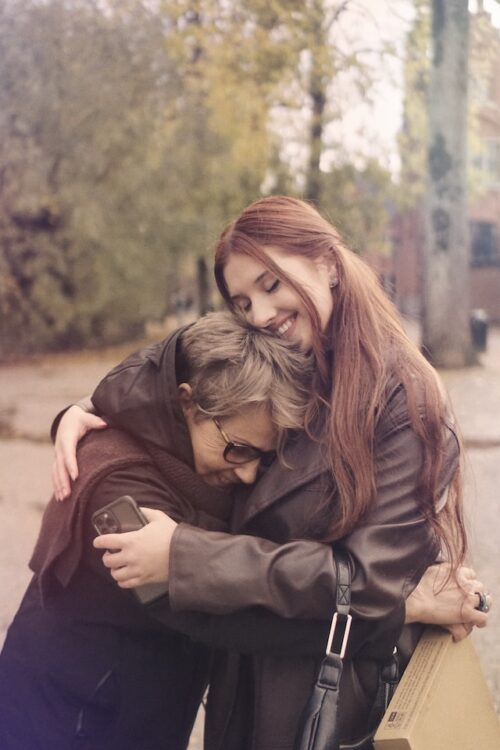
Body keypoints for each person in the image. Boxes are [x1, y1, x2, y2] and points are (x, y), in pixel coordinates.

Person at [52, 197, 491, 749]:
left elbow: (369, 582)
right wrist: (82, 412)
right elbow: (162, 374)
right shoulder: (281, 362)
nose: (259, 314)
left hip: (335, 694)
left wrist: (184, 555)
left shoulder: (401, 399)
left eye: (271, 284)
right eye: (241, 301)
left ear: (328, 264)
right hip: (244, 683)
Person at [0, 311, 325, 750]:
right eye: (238, 450)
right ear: (186, 403)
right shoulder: (118, 488)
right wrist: (369, 615)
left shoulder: (189, 455)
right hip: (65, 722)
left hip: (131, 713)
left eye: (262, 458)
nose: (249, 476)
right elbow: (213, 612)